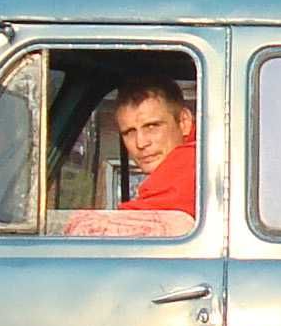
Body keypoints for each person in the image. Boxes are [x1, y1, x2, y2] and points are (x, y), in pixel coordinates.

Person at [64, 78, 197, 236]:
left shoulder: (192, 164)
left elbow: (141, 222)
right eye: (129, 132)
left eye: (152, 126)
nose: (140, 143)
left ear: (184, 122)